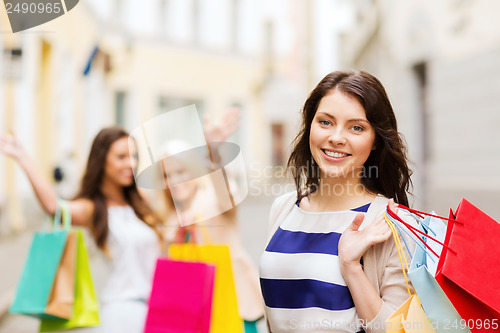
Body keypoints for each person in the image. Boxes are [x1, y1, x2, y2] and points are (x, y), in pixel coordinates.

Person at [259, 70, 416, 333]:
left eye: (356, 127)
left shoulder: (390, 222)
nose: (336, 137)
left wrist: (351, 267)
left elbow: (400, 330)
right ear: (310, 126)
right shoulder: (284, 209)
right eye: (325, 122)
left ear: (376, 140)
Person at [0, 127, 162, 333]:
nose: (131, 163)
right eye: (121, 157)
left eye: (134, 156)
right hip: (122, 313)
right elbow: (54, 207)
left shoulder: (140, 201)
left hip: (155, 309)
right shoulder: (93, 208)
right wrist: (23, 157)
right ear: (102, 160)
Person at [160, 109, 265, 333]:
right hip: (191, 311)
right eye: (168, 175)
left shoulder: (214, 198)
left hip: (233, 303)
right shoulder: (167, 215)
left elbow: (224, 191)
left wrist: (214, 153)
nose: (175, 181)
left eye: (181, 172)